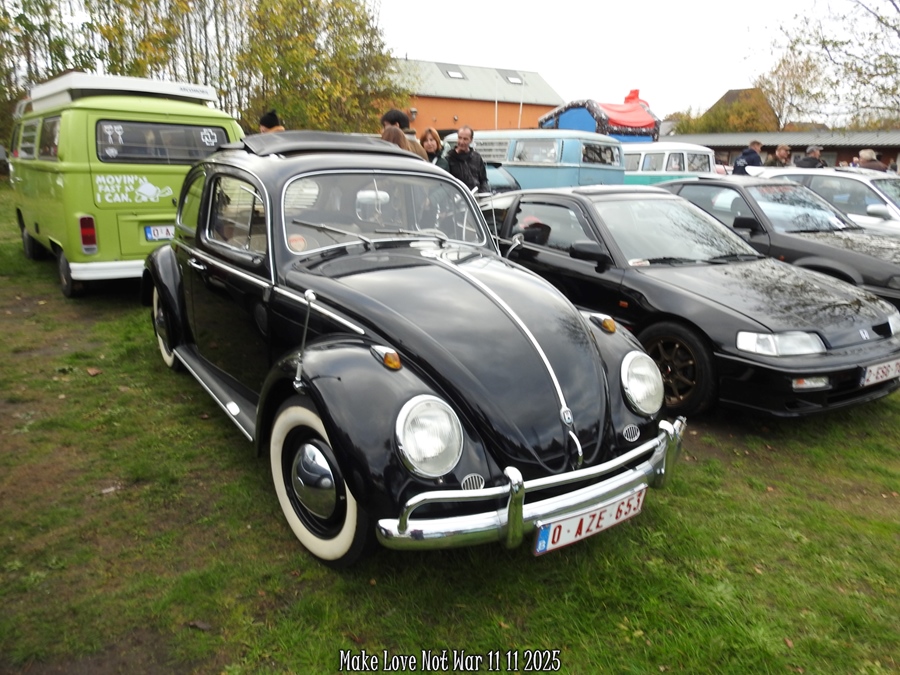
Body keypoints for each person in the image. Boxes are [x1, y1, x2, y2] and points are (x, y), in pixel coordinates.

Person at [446, 125, 489, 193]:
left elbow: (483, 180)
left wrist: (482, 193)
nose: (461, 142)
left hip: (475, 196)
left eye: (465, 139)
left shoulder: (477, 157)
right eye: (459, 138)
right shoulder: (449, 158)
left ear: (471, 140)